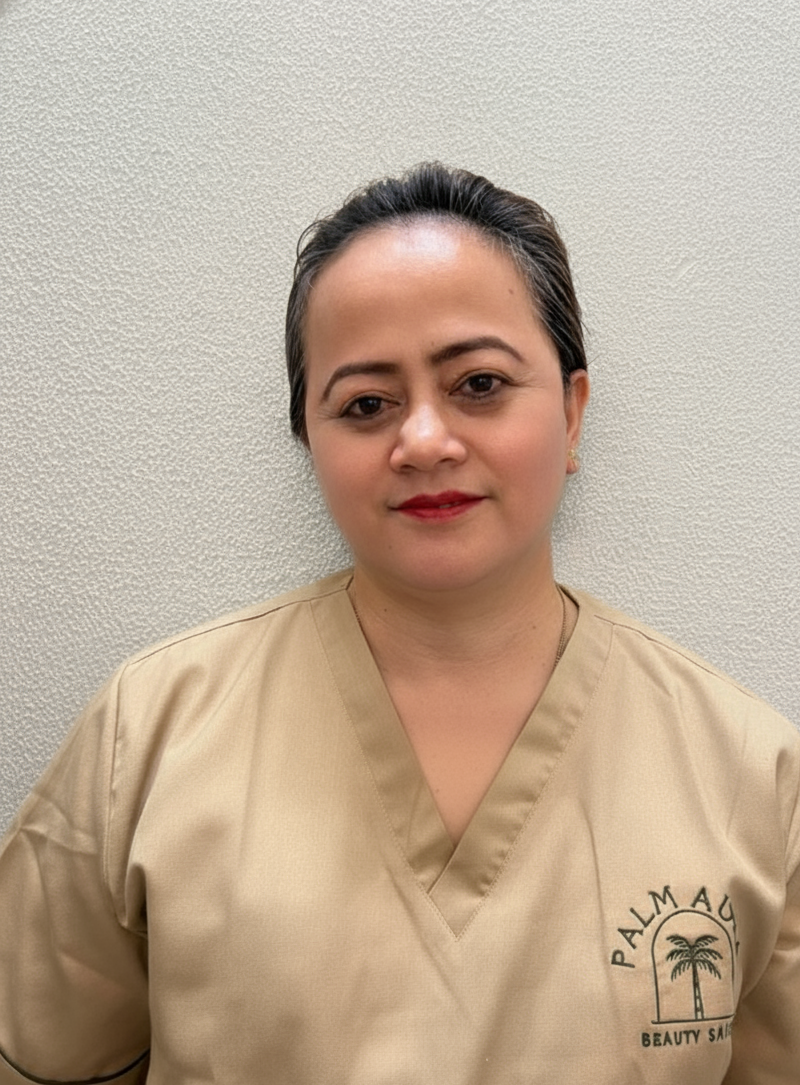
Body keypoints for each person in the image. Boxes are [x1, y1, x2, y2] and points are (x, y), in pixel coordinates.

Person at [1, 163, 798, 1084]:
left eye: (479, 383)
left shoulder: (750, 772)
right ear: (311, 440)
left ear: (573, 413)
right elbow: (44, 1058)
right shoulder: (149, 734)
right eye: (366, 404)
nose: (423, 441)